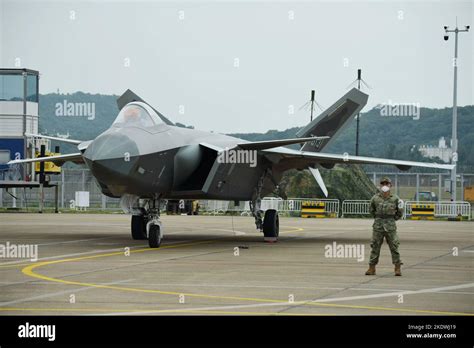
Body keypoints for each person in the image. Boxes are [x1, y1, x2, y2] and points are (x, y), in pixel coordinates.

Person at [366, 177, 404, 276]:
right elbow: (372, 210)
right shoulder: (375, 198)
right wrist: (379, 218)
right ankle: (372, 268)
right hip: (378, 225)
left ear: (390, 185)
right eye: (383, 184)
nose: (385, 186)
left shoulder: (395, 198)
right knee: (375, 246)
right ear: (380, 185)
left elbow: (400, 212)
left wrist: (392, 219)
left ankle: (397, 267)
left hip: (390, 225)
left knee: (394, 246)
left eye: (387, 184)